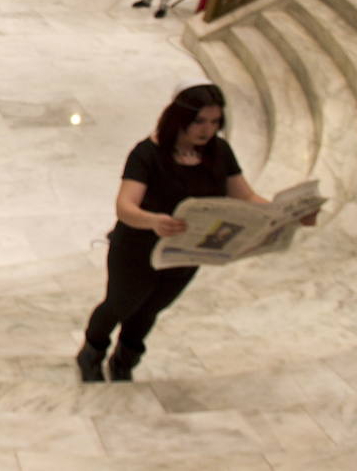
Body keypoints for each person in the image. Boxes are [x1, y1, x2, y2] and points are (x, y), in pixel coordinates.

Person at [76, 83, 316, 383]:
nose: (207, 130)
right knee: (121, 303)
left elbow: (245, 196)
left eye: (215, 122)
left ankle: (125, 360)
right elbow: (125, 206)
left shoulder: (219, 151)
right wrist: (153, 220)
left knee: (152, 308)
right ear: (179, 119)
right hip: (139, 246)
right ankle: (92, 352)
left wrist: (283, 214)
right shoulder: (147, 154)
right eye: (200, 121)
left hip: (186, 250)